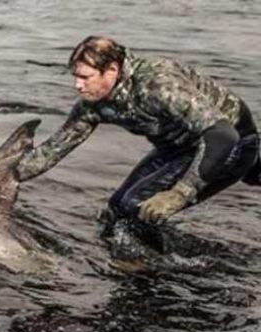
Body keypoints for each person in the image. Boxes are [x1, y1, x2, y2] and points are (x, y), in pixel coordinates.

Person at [17, 36, 259, 238]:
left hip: (232, 143)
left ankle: (150, 274)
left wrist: (180, 192)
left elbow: (223, 135)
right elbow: (51, 151)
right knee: (115, 212)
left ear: (111, 70)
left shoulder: (158, 85)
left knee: (135, 208)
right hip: (177, 149)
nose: (77, 86)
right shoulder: (92, 107)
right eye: (75, 77)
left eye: (85, 77)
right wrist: (2, 175)